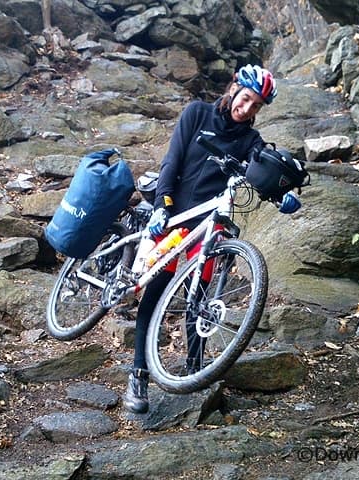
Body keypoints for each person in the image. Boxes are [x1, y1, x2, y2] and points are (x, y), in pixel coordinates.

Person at [124, 64, 295, 414]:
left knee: (199, 297)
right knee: (157, 288)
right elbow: (172, 161)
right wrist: (161, 206)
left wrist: (283, 193)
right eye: (246, 99)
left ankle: (196, 368)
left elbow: (262, 170)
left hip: (211, 225)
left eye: (256, 106)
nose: (247, 109)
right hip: (175, 215)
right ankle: (138, 373)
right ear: (234, 89)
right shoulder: (196, 113)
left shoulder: (251, 141)